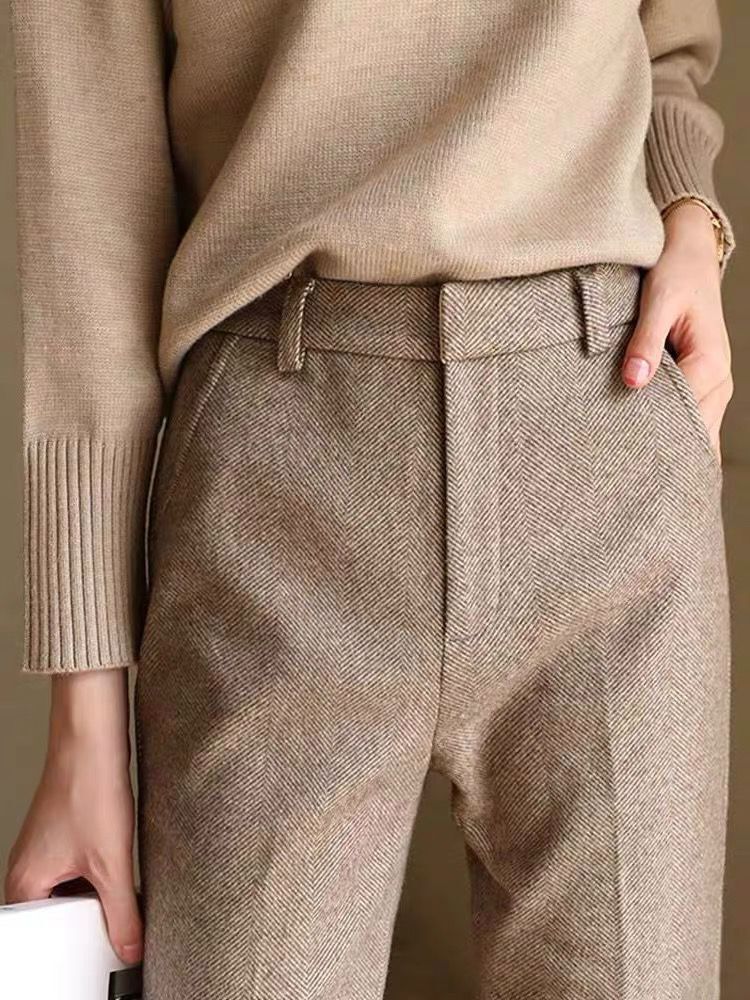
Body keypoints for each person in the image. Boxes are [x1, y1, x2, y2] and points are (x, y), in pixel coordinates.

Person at [4, 1, 736, 998]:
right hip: (279, 484)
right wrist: (86, 724)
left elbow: (668, 35)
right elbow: (85, 171)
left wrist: (688, 208)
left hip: (606, 416)